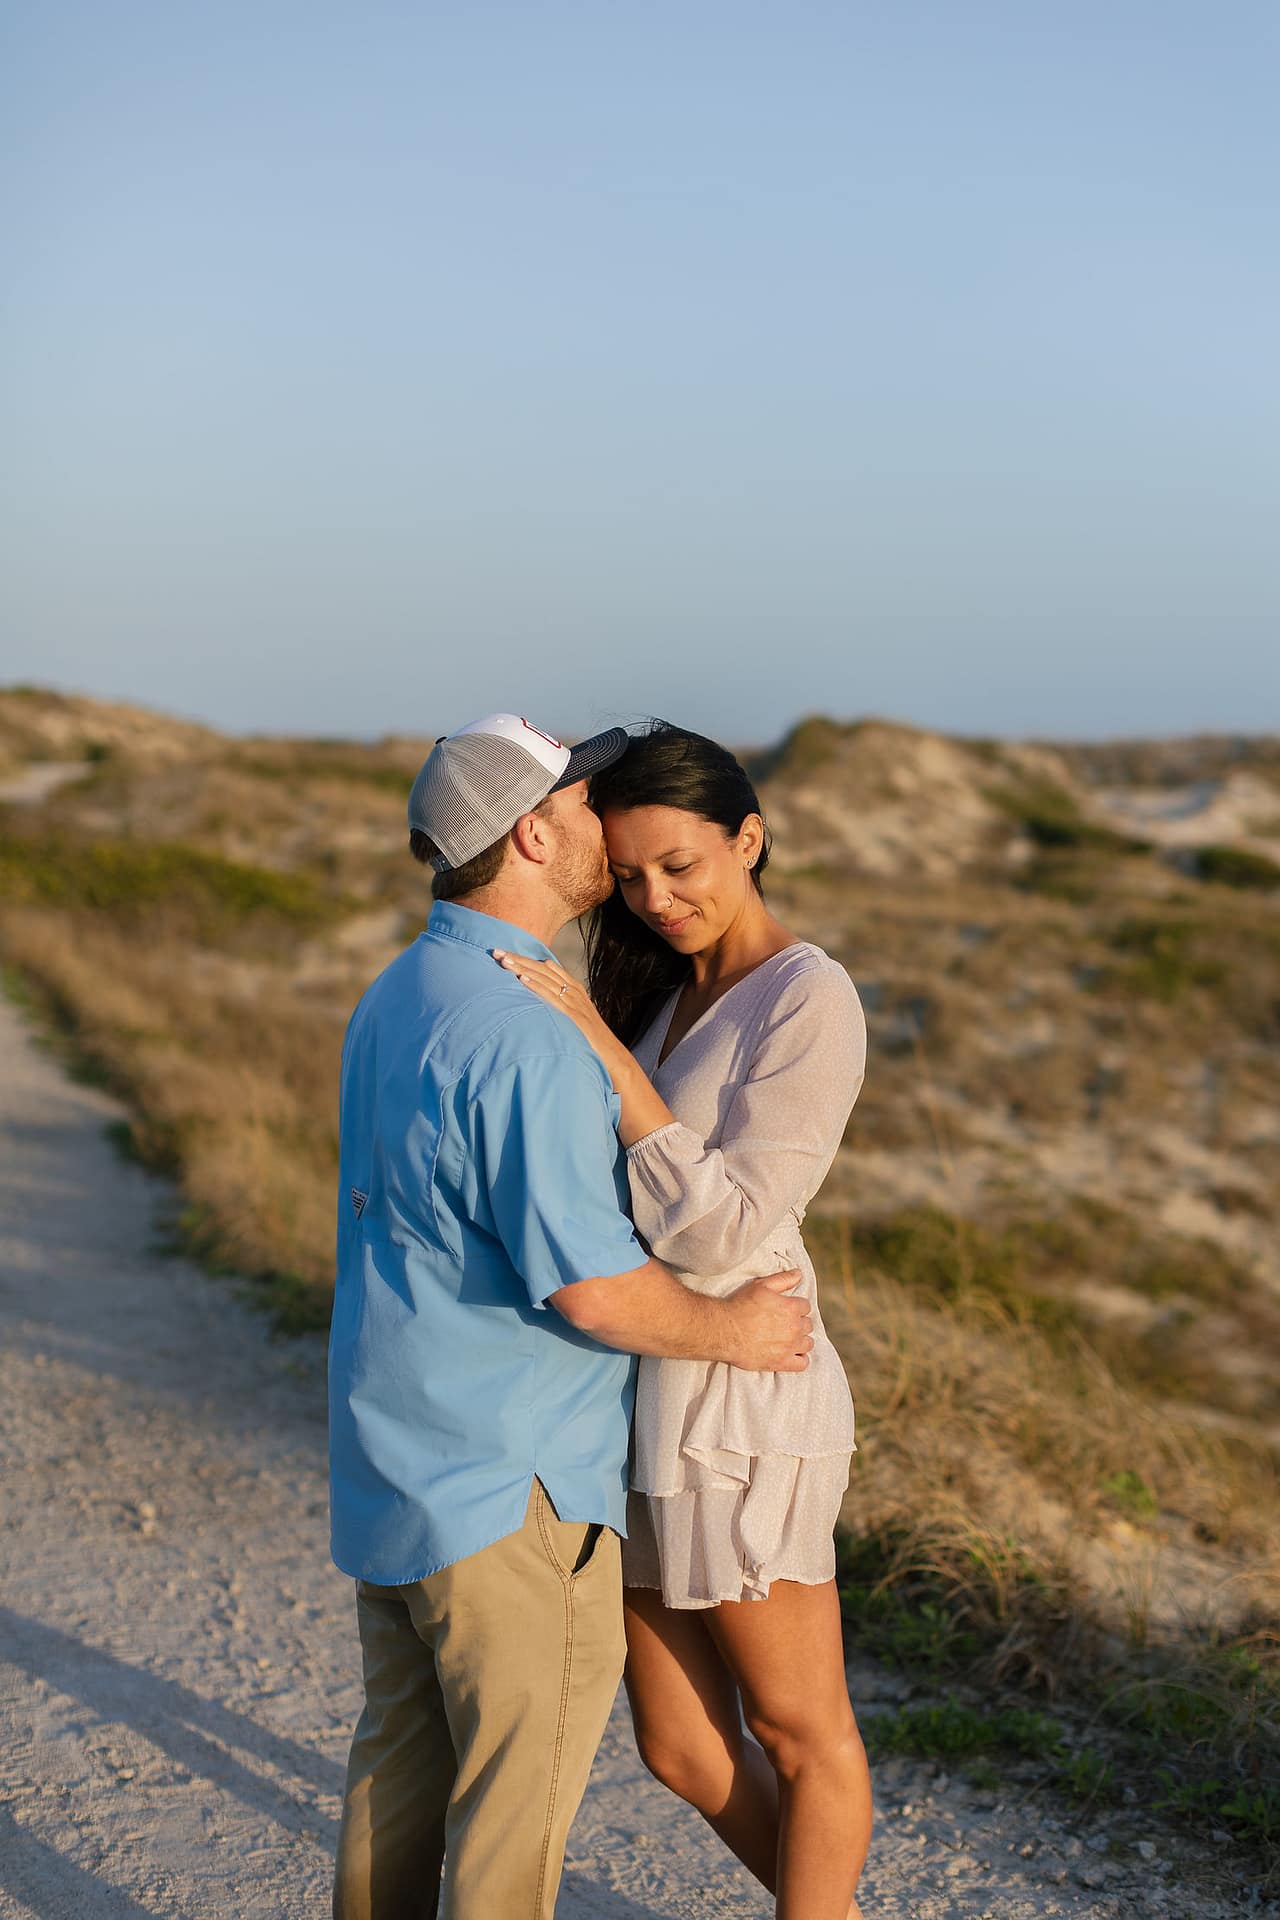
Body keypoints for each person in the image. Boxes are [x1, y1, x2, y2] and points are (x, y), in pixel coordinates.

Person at [327, 712, 815, 1920]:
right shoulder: (524, 1034)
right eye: (588, 800)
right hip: (513, 1492)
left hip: (394, 1462)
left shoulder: (399, 993)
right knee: (511, 1821)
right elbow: (593, 1289)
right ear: (537, 833)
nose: (612, 822)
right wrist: (737, 1334)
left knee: (397, 1773)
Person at [496, 720, 872, 1920]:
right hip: (646, 1390)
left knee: (795, 1728)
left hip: (745, 1396)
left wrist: (602, 1052)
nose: (656, 898)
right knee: (681, 1750)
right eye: (633, 874)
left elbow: (721, 1232)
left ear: (747, 840)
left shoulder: (806, 996)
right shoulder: (662, 995)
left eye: (683, 866)